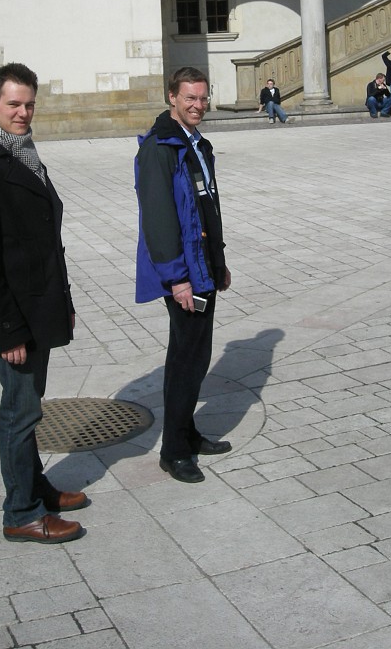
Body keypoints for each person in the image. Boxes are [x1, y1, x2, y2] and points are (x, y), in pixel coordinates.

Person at [0, 63, 87, 544]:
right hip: (14, 317)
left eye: (29, 104)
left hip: (40, 306)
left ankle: (36, 487)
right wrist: (7, 329)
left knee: (29, 408)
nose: (23, 112)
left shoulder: (24, 154)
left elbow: (45, 242)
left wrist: (64, 300)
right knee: (18, 412)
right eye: (13, 104)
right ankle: (21, 512)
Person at [135, 66, 232, 483]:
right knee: (186, 359)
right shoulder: (160, 147)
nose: (198, 105)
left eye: (203, 97)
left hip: (203, 266)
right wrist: (178, 279)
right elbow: (159, 221)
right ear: (171, 97)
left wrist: (218, 262)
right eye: (190, 97)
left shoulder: (196, 143)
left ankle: (187, 432)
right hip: (184, 274)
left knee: (194, 355)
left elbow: (206, 208)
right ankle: (174, 450)